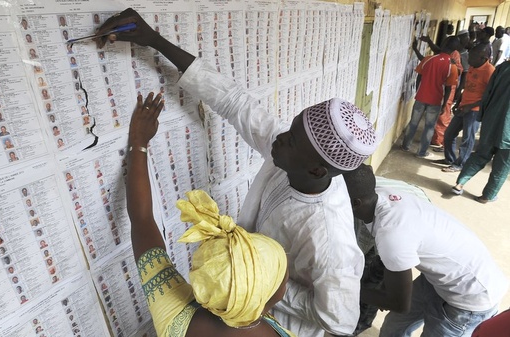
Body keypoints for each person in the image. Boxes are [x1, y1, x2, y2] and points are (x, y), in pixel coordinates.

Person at [98, 10, 376, 337]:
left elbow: (340, 322)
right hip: (248, 309)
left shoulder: (331, 238)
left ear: (316, 168)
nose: (280, 136)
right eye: (291, 127)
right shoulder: (289, 153)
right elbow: (234, 102)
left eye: (291, 139)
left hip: (278, 319)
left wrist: (266, 288)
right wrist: (155, 41)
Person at [125, 92, 293, 337]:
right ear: (262, 299)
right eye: (282, 275)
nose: (286, 279)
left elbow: (142, 221)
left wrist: (138, 142)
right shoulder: (265, 325)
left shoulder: (172, 313)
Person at [343, 164, 508, 336]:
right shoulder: (376, 192)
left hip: (468, 299)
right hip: (439, 279)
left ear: (355, 203)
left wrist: (345, 288)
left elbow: (399, 303)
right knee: (393, 328)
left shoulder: (391, 233)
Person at [452, 60, 510, 203]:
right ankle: (487, 196)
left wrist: (482, 116)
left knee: (480, 155)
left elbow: (487, 94)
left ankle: (460, 183)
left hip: (492, 120)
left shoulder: (503, 68)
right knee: (502, 165)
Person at [440, 44, 495, 172]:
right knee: (449, 134)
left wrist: (470, 106)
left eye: (472, 56)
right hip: (463, 106)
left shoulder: (489, 71)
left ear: (483, 58)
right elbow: (467, 87)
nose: (469, 58)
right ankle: (450, 159)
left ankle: (460, 164)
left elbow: (489, 96)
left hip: (474, 111)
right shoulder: (472, 66)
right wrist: (459, 102)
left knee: (467, 139)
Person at [403, 37, 461, 157]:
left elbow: (419, 76)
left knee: (413, 123)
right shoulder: (452, 67)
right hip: (436, 100)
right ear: (454, 50)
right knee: (429, 127)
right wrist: (445, 104)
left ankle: (405, 145)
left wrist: (419, 90)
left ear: (443, 45)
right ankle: (421, 152)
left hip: (421, 96)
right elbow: (449, 88)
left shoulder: (429, 59)